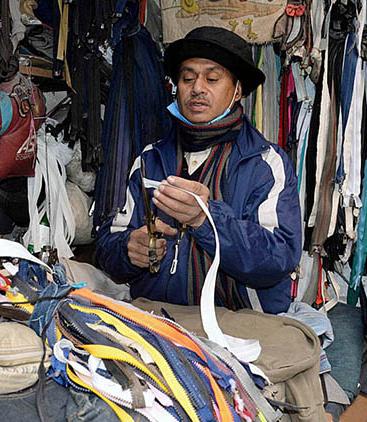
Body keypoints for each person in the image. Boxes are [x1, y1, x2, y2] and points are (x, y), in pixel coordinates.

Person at [96, 26, 301, 314]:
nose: (197, 88)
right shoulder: (150, 159)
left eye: (213, 78)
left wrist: (207, 220)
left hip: (240, 325)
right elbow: (107, 246)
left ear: (238, 90)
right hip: (158, 319)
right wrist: (130, 249)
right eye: (187, 77)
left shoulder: (265, 163)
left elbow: (279, 258)